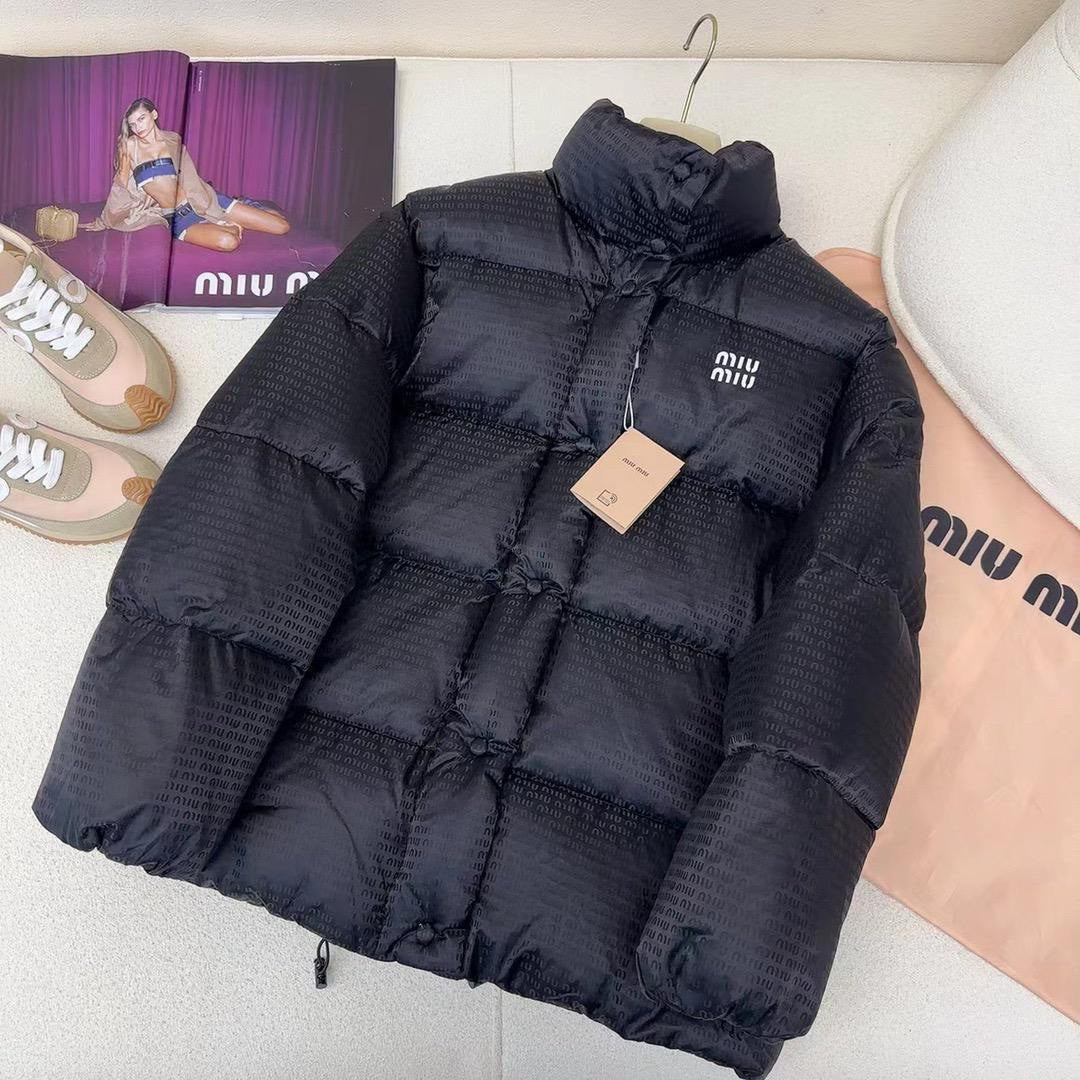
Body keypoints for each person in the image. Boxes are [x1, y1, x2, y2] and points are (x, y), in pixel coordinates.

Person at [83, 97, 290, 251]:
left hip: (205, 201)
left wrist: (214, 215)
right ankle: (234, 223)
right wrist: (105, 220)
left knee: (281, 225)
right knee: (228, 241)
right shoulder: (129, 146)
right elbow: (120, 185)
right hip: (177, 217)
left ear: (154, 115)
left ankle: (239, 206)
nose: (138, 127)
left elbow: (190, 179)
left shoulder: (173, 139)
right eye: (133, 124)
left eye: (142, 119)